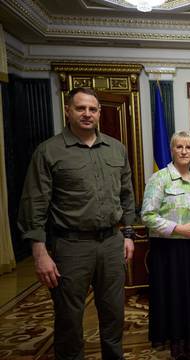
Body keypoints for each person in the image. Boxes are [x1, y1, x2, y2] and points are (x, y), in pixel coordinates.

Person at [17, 87, 135, 360]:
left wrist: (128, 234)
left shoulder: (116, 149)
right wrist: (39, 252)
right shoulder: (49, 151)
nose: (87, 114)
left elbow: (127, 195)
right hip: (70, 246)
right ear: (68, 111)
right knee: (69, 319)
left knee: (114, 314)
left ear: (99, 113)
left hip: (111, 243)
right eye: (80, 108)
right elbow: (33, 203)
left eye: (92, 109)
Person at [141, 131, 190, 360]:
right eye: (179, 147)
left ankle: (189, 345)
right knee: (172, 296)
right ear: (172, 150)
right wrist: (178, 228)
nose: (184, 151)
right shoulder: (159, 179)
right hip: (167, 251)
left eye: (188, 147)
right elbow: (147, 216)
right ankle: (176, 347)